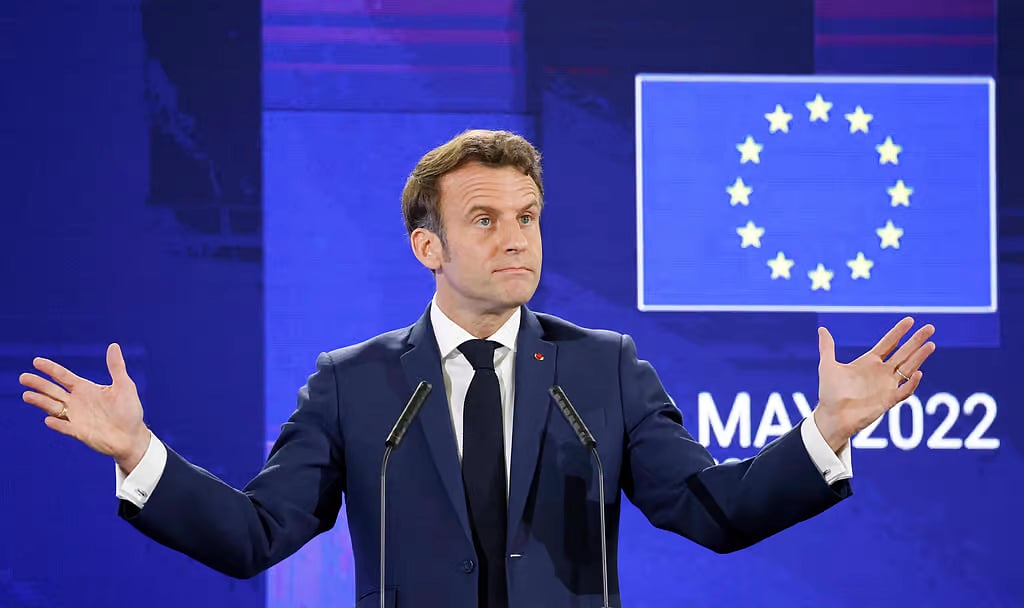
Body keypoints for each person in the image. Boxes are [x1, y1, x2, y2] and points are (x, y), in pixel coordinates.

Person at [19, 130, 935, 608]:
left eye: (528, 217)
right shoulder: (353, 382)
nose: (516, 239)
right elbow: (256, 534)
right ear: (429, 245)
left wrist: (827, 435)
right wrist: (141, 453)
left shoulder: (604, 370)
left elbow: (713, 511)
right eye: (486, 220)